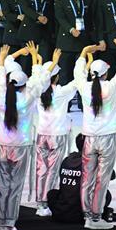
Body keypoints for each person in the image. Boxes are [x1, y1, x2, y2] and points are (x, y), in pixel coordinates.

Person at [0, 42, 53, 230]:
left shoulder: (2, 96)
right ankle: (9, 226)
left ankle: (3, 224)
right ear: (23, 85)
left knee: (3, 186)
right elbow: (41, 80)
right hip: (20, 146)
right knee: (15, 187)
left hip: (3, 144)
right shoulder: (29, 96)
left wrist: (1, 62)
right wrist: (36, 60)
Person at [73, 38, 116, 229]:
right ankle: (96, 217)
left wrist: (83, 52)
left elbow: (77, 73)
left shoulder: (84, 87)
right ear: (106, 73)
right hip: (107, 138)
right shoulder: (111, 87)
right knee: (101, 179)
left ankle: (87, 215)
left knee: (87, 178)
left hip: (89, 138)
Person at [46, 133, 116, 224]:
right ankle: (93, 215)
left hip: (60, 212)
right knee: (105, 194)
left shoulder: (67, 160)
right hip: (80, 214)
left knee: (52, 193)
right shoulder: (92, 163)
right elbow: (112, 175)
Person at [35, 50, 79, 216]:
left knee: (40, 169)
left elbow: (37, 77)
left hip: (41, 135)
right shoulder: (61, 92)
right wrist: (85, 63)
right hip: (57, 136)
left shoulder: (38, 91)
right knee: (52, 171)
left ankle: (40, 203)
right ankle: (46, 203)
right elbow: (77, 83)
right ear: (56, 77)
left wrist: (37, 60)